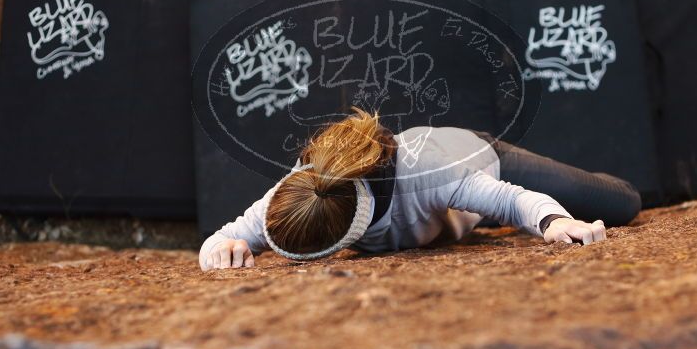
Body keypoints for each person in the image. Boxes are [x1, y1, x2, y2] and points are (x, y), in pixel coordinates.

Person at [199, 108, 640, 270]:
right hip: (447, 198)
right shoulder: (308, 185)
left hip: (476, 157)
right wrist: (224, 247)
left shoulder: (432, 176)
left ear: (354, 230)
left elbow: (510, 200)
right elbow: (223, 237)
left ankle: (599, 188)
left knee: (621, 203)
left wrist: (555, 221)